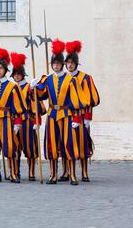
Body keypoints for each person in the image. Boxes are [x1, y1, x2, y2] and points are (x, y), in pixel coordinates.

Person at [30, 39, 85, 185]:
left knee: (69, 144)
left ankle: (72, 175)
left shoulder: (70, 79)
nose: (56, 66)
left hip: (67, 115)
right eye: (54, 64)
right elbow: (40, 96)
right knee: (52, 145)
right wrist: (33, 88)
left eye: (58, 63)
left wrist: (76, 119)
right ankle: (53, 174)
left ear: (62, 65)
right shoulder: (47, 79)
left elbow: (76, 100)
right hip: (52, 115)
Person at [0, 47, 28, 183]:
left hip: (6, 118)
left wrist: (17, 123)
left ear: (5, 70)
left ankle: (13, 173)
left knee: (9, 146)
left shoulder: (12, 87)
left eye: (1, 68)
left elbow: (18, 106)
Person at [64, 41, 100, 182]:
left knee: (83, 145)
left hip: (81, 116)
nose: (70, 65)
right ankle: (67, 172)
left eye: (72, 62)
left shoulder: (85, 78)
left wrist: (87, 118)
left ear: (76, 64)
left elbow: (93, 99)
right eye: (68, 62)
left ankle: (84, 173)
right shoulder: (63, 78)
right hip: (67, 117)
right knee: (67, 144)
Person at [10, 52, 46, 181]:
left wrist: (37, 120)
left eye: (19, 74)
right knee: (14, 147)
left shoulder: (29, 87)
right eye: (15, 74)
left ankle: (31, 172)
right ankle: (15, 172)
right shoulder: (11, 87)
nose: (17, 76)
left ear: (22, 75)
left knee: (30, 147)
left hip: (28, 121)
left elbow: (37, 105)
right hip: (14, 121)